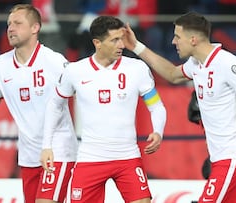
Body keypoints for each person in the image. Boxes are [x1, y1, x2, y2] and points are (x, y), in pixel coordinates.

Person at [123, 11, 236, 203]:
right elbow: (171, 73)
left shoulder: (227, 63)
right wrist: (136, 47)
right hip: (221, 158)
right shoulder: (196, 64)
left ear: (193, 39)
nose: (173, 42)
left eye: (177, 36)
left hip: (234, 156)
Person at [43, 15, 167, 203]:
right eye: (115, 40)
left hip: (127, 156)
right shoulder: (75, 71)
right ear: (97, 43)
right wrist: (46, 146)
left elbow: (156, 106)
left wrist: (158, 131)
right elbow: (55, 105)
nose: (121, 45)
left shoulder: (137, 69)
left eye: (122, 39)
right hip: (90, 157)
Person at [0, 4, 78, 203]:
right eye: (8, 24)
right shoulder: (0, 65)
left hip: (58, 150)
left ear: (35, 28)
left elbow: (83, 91)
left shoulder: (54, 61)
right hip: (28, 155)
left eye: (17, 23)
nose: (11, 29)